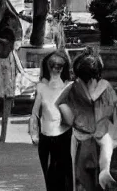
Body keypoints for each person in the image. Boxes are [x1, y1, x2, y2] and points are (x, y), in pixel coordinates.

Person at [57, 52, 117, 191]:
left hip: (80, 137)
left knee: (79, 179)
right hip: (102, 135)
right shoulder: (105, 87)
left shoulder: (73, 88)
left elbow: (59, 103)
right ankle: (104, 172)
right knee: (105, 157)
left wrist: (69, 120)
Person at [29, 50, 73, 191]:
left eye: (59, 65)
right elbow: (35, 113)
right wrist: (34, 133)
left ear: (64, 67)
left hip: (65, 136)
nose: (56, 67)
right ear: (47, 67)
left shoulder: (70, 87)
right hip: (46, 137)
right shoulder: (41, 88)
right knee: (49, 175)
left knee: (64, 174)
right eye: (52, 65)